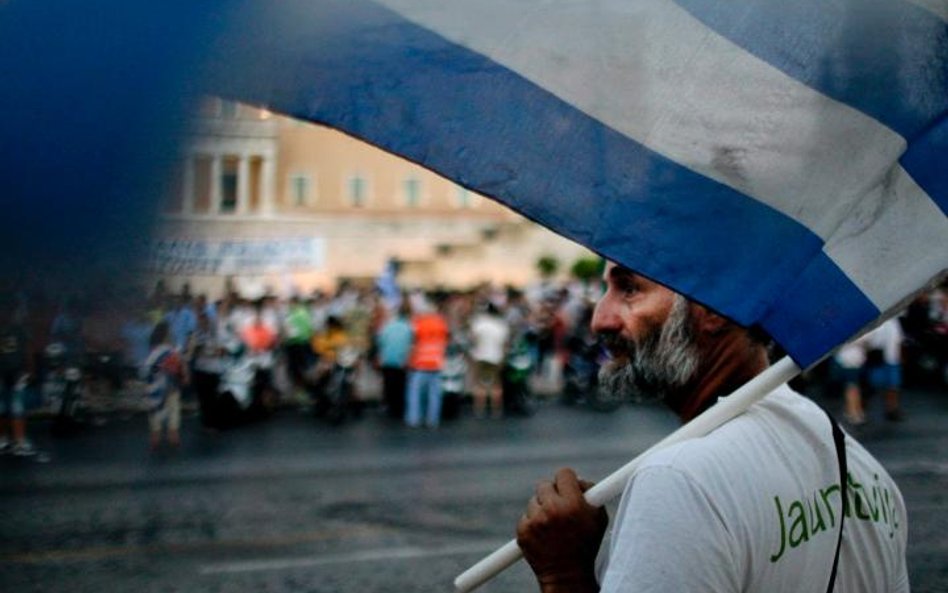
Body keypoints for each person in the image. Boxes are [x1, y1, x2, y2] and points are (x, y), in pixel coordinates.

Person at [515, 263, 908, 593]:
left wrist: (563, 576)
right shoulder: (866, 469)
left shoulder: (680, 480)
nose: (601, 318)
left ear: (714, 307)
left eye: (630, 288)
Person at [404, 295, 449, 428]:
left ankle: (414, 419)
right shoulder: (441, 323)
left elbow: (412, 343)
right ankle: (432, 420)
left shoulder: (418, 323)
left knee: (415, 394)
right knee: (435, 394)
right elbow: (445, 341)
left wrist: (408, 359)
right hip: (436, 362)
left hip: (420, 363)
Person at [143, 321, 187, 451]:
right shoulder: (165, 350)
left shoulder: (159, 350)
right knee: (171, 410)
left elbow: (147, 370)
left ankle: (162, 437)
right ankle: (168, 437)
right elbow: (150, 369)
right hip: (166, 386)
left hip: (163, 386)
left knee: (163, 412)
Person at [0, 299, 35, 456]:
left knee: (17, 407)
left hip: (17, 372)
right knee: (0, 408)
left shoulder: (19, 330)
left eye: (8, 310)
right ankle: (2, 439)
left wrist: (30, 370)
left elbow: (28, 351)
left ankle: (19, 440)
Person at [469, 302, 510, 418]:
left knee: (479, 384)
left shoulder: (479, 323)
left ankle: (479, 410)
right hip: (496, 357)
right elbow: (505, 343)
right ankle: (496, 410)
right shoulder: (501, 325)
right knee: (496, 384)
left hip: (480, 356)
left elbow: (473, 339)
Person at [375, 301, 414, 420]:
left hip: (388, 360)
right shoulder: (408, 327)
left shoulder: (387, 326)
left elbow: (380, 342)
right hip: (401, 361)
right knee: (401, 385)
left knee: (389, 385)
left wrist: (380, 357)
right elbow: (411, 344)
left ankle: (390, 408)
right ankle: (400, 409)